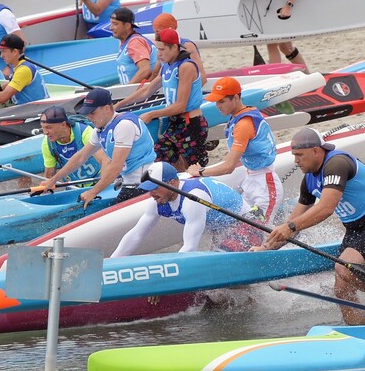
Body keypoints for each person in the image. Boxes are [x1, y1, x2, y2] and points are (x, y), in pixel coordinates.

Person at [259, 128, 365, 325]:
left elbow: (326, 208)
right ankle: (357, 332)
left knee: (344, 269)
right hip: (355, 230)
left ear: (316, 151)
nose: (296, 161)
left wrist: (290, 227)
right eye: (294, 156)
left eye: (299, 155)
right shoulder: (308, 179)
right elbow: (295, 220)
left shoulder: (337, 163)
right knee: (342, 290)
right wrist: (266, 247)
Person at [40, 87, 157, 205]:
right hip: (127, 182)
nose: (89, 118)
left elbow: (116, 166)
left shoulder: (124, 125)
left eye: (92, 113)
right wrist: (53, 180)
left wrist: (93, 192)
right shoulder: (99, 130)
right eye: (87, 114)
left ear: (106, 108)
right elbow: (81, 157)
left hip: (145, 183)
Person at [189, 75, 284, 223]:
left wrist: (200, 172)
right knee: (242, 230)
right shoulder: (240, 115)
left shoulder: (243, 124)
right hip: (251, 181)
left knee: (261, 233)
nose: (218, 106)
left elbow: (228, 167)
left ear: (235, 98)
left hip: (265, 186)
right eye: (216, 102)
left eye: (222, 101)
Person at [117, 27, 208, 171]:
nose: (158, 55)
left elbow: (180, 106)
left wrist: (152, 114)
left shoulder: (186, 67)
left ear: (174, 48)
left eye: (162, 50)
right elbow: (147, 90)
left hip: (191, 124)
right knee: (160, 160)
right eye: (157, 50)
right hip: (175, 124)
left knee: (194, 169)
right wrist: (119, 105)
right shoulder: (167, 65)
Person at [112, 161, 244, 257]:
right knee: (215, 267)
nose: (151, 193)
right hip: (221, 230)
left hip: (245, 222)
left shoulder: (192, 200)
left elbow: (190, 248)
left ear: (173, 183)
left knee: (218, 264)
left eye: (155, 188)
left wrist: (166, 283)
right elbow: (136, 235)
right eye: (149, 189)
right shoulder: (157, 201)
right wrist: (113, 262)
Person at [40, 105, 99, 182]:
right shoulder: (47, 143)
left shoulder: (86, 133)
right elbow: (49, 176)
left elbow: (105, 161)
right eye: (43, 128)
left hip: (99, 181)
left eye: (49, 127)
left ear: (63, 124)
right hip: (73, 186)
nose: (45, 132)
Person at [110, 7, 157, 85]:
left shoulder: (135, 43)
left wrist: (126, 91)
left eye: (115, 24)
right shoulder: (127, 42)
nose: (111, 27)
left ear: (128, 25)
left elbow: (145, 70)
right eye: (111, 23)